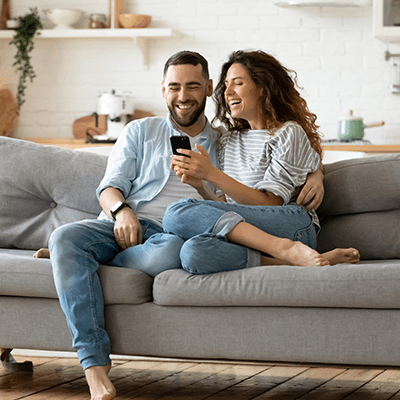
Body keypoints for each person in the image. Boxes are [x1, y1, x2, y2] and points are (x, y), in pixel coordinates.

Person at [34, 50, 324, 400]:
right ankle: (94, 367)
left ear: (206, 88)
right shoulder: (140, 130)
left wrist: (317, 172)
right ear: (162, 89)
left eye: (191, 86)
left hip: (171, 235)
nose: (182, 96)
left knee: (173, 250)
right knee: (65, 236)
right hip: (120, 224)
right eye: (174, 87)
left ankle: (79, 261)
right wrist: (121, 210)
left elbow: (278, 157)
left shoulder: (225, 140)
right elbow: (109, 187)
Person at [163, 50, 360, 274]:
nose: (227, 92)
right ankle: (291, 260)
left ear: (262, 88)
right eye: (226, 84)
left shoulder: (287, 133)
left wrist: (212, 174)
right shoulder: (229, 139)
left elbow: (271, 204)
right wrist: (200, 186)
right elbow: (228, 207)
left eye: (237, 83)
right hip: (249, 230)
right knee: (193, 252)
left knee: (175, 213)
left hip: (290, 225)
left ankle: (286, 248)